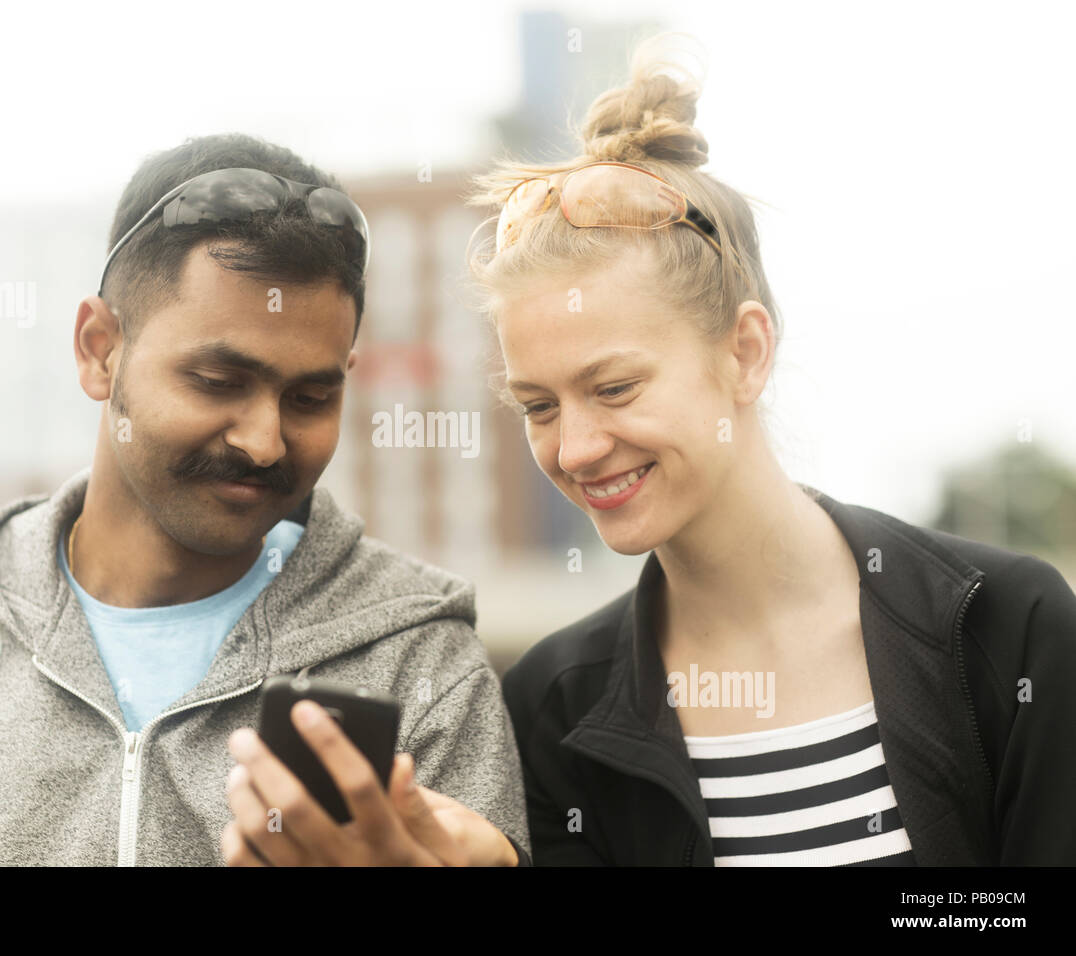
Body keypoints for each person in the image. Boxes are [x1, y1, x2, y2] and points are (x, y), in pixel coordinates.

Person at [0, 134, 529, 866]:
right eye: (218, 382)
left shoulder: (419, 660)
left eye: (309, 396)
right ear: (100, 349)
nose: (265, 441)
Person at [459, 33, 1076, 865]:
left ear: (745, 352)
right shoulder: (549, 708)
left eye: (614, 389)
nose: (575, 447)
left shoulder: (1009, 629)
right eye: (537, 405)